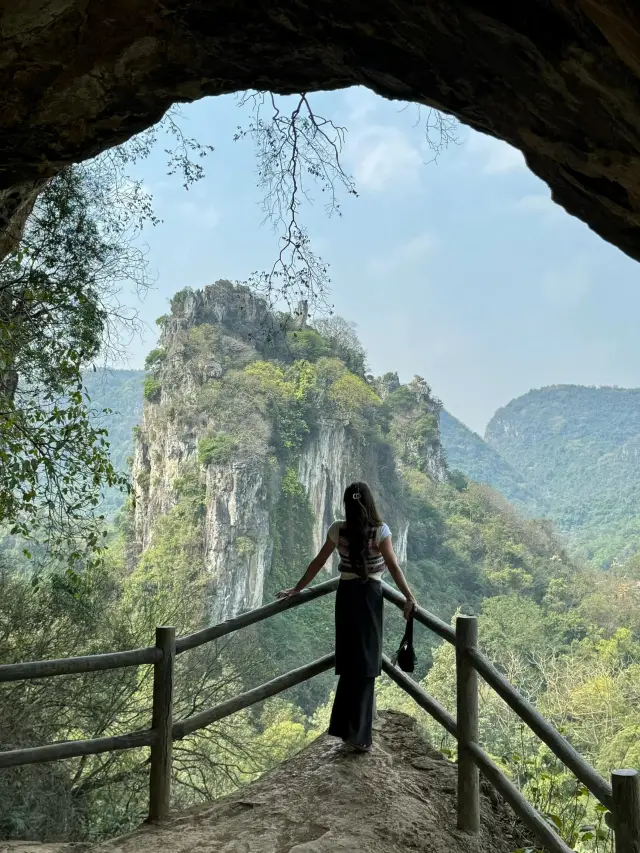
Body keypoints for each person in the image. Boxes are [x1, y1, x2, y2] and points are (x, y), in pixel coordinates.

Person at [276, 480, 417, 752]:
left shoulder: (337, 530)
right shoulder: (380, 531)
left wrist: (297, 588)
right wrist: (409, 596)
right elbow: (393, 566)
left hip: (346, 596)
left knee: (350, 661)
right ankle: (359, 736)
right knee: (367, 664)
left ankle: (344, 728)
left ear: (346, 503)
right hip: (370, 596)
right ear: (370, 502)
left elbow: (318, 561)